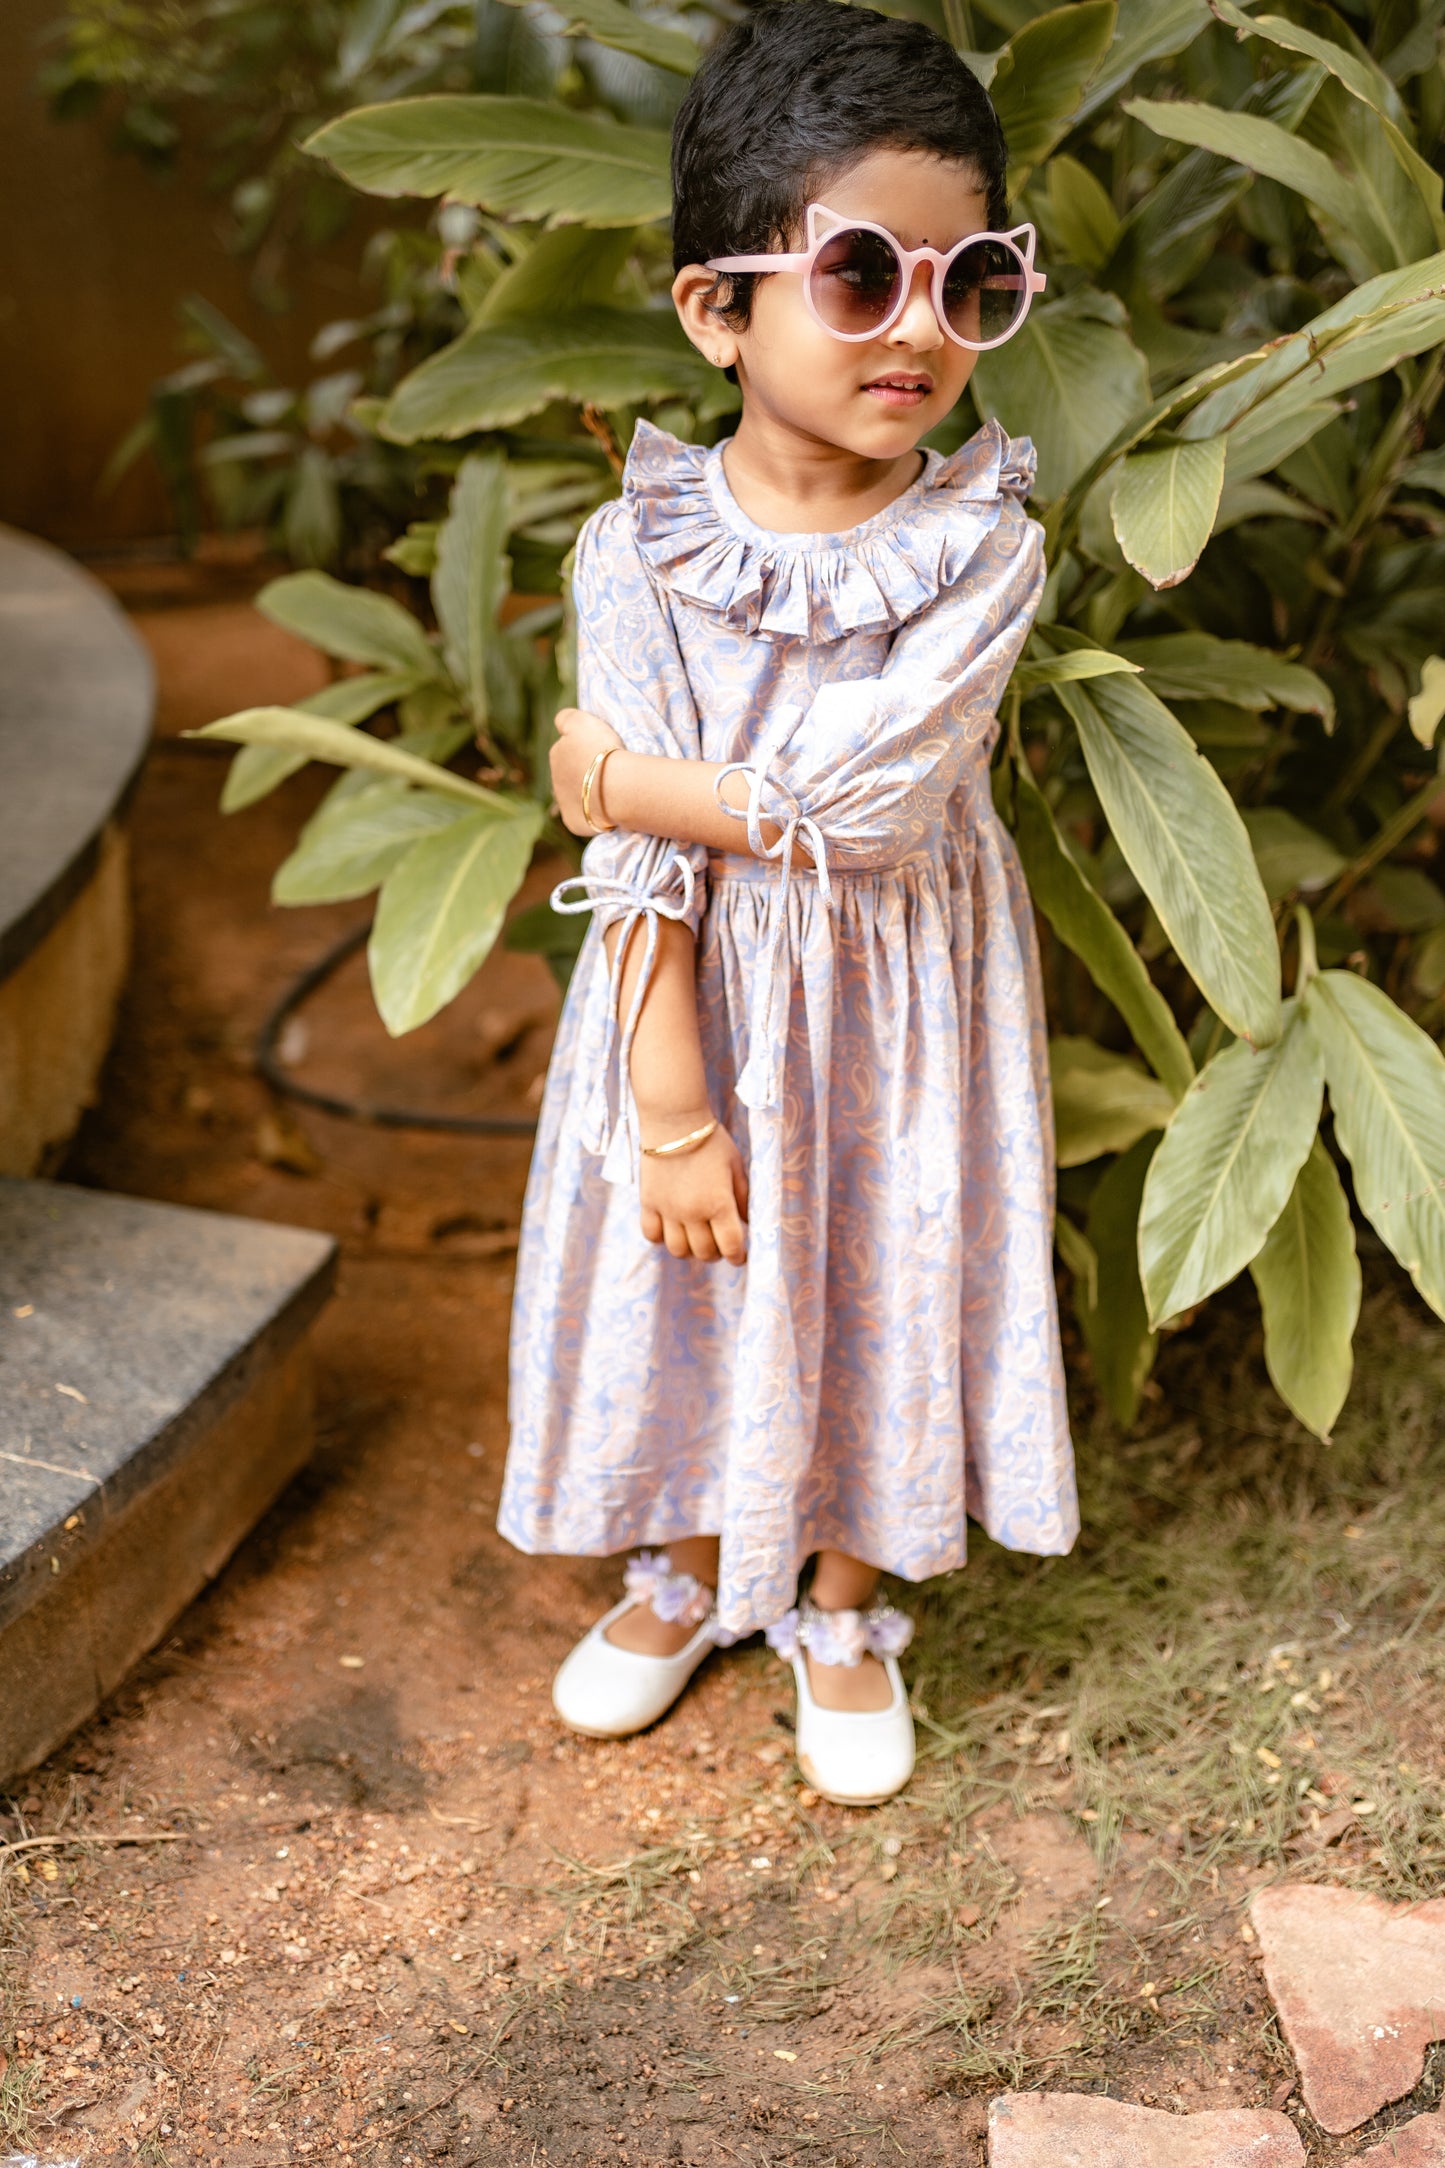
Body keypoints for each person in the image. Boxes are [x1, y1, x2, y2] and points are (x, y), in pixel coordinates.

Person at [498, 0, 1078, 1807]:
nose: (919, 327)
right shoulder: (634, 549)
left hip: (901, 1005)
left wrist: (615, 780)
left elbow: (866, 801)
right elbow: (646, 876)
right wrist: (668, 1101)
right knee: (686, 1264)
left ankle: (839, 1599)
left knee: (885, 1264)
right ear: (716, 309)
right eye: (859, 273)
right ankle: (684, 1564)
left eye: (970, 281)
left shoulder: (981, 549)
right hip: (689, 999)